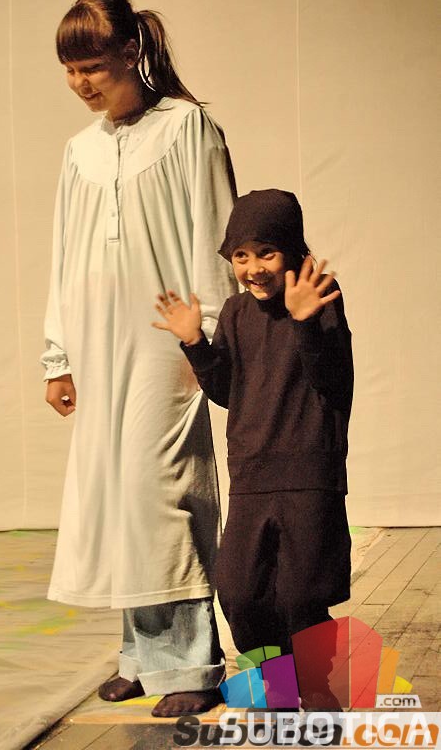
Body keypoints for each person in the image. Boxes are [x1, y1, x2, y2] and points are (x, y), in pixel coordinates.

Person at [40, 0, 238, 717]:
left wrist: (207, 340)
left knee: (162, 495)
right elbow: (64, 257)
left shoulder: (187, 128)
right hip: (97, 342)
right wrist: (57, 355)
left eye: (92, 66)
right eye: (70, 71)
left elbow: (215, 234)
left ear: (132, 52)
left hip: (166, 343)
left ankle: (190, 662)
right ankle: (141, 656)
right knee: (118, 495)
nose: (81, 84)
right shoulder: (80, 150)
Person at [153, 189, 353, 708]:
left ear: (292, 250)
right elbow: (227, 391)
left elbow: (332, 379)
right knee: (241, 592)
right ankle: (277, 690)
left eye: (266, 253)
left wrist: (305, 323)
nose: (253, 268)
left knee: (303, 595)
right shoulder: (237, 312)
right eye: (241, 256)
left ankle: (321, 694)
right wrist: (195, 343)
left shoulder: (320, 296)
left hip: (308, 472)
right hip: (252, 473)